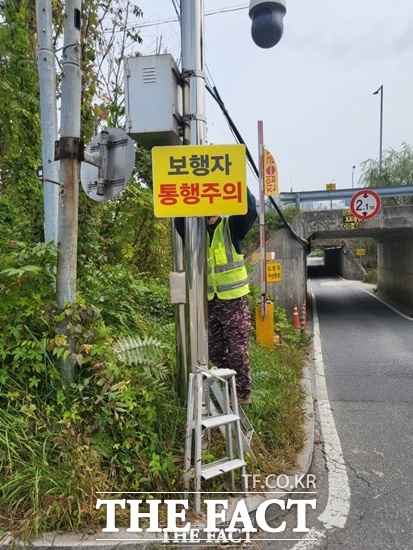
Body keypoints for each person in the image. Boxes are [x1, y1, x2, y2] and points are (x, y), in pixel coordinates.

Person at [175, 187, 257, 405]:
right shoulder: (195, 230)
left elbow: (249, 210)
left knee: (236, 349)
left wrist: (236, 175)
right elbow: (178, 218)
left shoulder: (231, 226)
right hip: (208, 301)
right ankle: (227, 383)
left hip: (234, 300)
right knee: (213, 349)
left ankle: (241, 393)